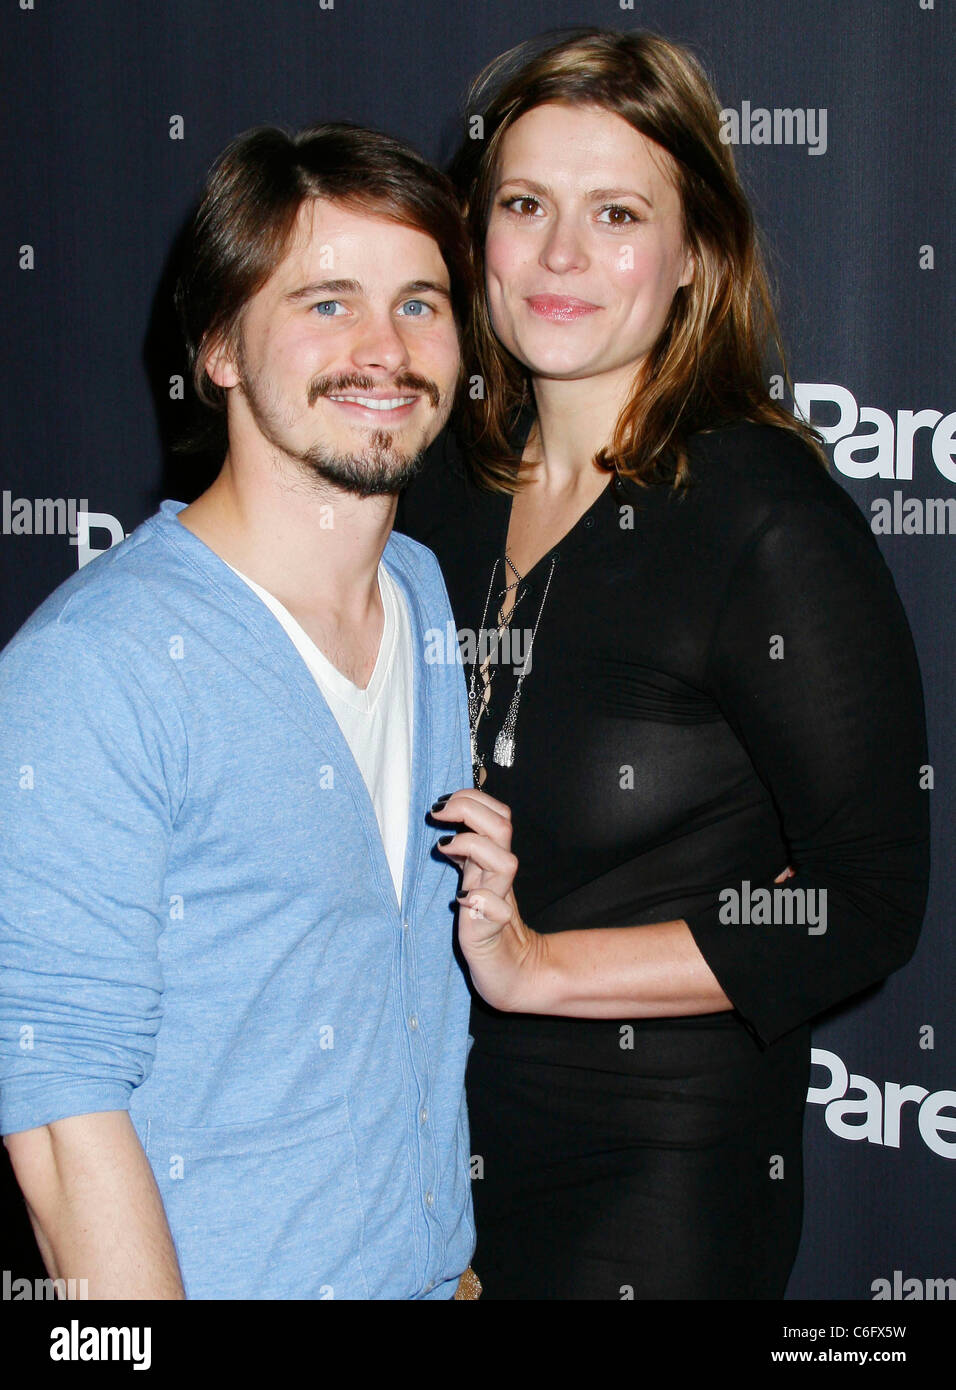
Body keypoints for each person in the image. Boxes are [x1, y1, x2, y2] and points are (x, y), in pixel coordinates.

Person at [398, 30, 931, 1299]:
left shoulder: (758, 514)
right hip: (411, 1154)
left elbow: (861, 899)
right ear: (477, 233)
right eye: (525, 206)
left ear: (694, 254)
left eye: (616, 212)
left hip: (649, 1186)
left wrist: (538, 966)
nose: (562, 255)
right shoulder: (434, 493)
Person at [0, 122, 480, 1300]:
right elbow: (60, 1118)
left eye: (420, 303)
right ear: (217, 344)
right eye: (326, 303)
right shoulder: (92, 668)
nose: (385, 348)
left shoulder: (418, 588)